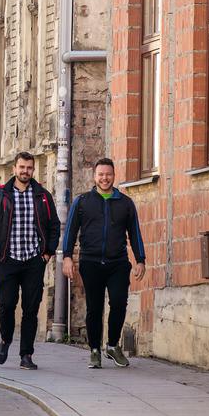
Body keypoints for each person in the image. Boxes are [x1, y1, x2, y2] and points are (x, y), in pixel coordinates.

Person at [62, 157, 147, 369]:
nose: (104, 178)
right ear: (95, 177)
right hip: (90, 262)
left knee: (119, 302)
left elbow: (135, 233)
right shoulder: (82, 202)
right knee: (94, 308)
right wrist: (66, 258)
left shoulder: (125, 203)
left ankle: (111, 346)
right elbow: (70, 232)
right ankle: (94, 351)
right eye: (100, 174)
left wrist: (140, 260)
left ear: (114, 176)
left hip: (117, 263)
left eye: (108, 174)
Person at [0, 151, 60, 370]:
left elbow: (54, 226)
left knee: (31, 309)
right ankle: (6, 339)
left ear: (33, 170)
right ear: (14, 169)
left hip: (34, 260)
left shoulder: (42, 196)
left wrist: (47, 253)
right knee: (6, 305)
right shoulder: (0, 196)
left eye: (29, 168)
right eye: (21, 167)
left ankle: (26, 355)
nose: (25, 171)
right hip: (8, 258)